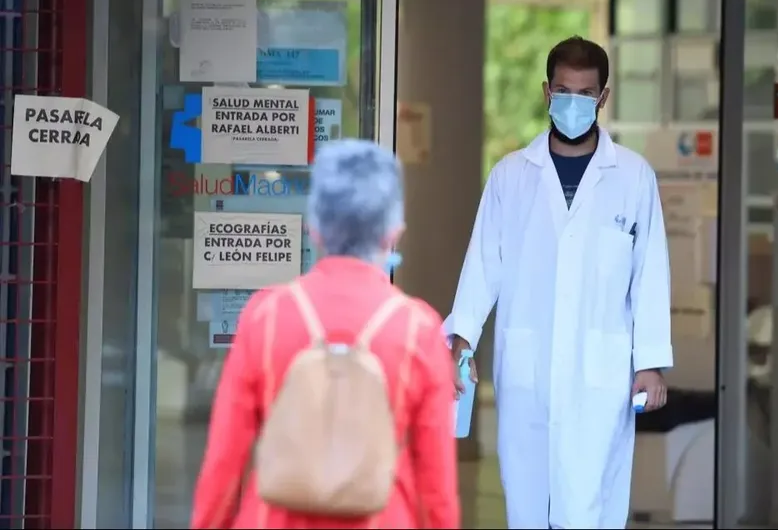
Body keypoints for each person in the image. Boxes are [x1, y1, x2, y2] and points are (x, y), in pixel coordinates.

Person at [445, 35, 674, 529]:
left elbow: (650, 275)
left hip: (600, 374)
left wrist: (651, 363)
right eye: (564, 92)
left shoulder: (632, 176)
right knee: (526, 500)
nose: (573, 104)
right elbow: (483, 264)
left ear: (603, 98)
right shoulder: (511, 176)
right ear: (547, 92)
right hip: (528, 369)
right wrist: (461, 341)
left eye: (585, 94)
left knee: (590, 503)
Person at [190, 140, 460, 529]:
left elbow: (223, 463)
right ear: (393, 232)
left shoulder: (265, 317)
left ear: (314, 228)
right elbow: (436, 490)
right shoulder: (418, 330)